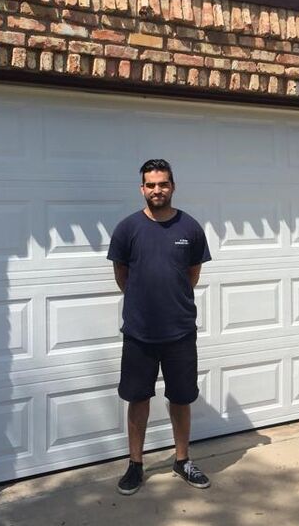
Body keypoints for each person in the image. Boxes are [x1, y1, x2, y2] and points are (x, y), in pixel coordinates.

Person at [107, 158, 212, 495]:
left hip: (180, 331)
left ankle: (182, 460)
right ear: (142, 189)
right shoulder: (127, 229)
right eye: (150, 185)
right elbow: (122, 276)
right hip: (139, 333)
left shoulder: (190, 229)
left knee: (181, 398)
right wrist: (144, 302)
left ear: (173, 186)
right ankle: (135, 465)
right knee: (138, 399)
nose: (157, 190)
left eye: (163, 184)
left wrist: (170, 301)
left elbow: (192, 275)